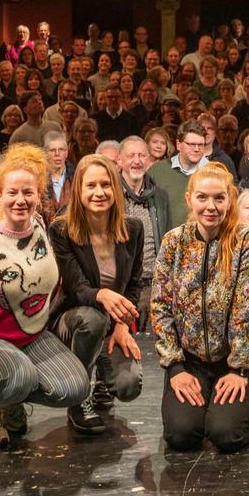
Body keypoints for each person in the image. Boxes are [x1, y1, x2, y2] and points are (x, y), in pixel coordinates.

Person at [0, 144, 95, 445]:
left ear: (39, 195)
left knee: (75, 388)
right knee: (21, 378)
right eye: (12, 192)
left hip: (32, 336)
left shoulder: (39, 226)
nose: (20, 200)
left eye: (28, 193)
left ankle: (9, 401)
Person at [152, 163, 249, 452]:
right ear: (189, 199)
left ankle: (248, 403)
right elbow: (160, 305)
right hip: (189, 360)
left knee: (226, 435)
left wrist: (238, 369)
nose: (211, 206)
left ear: (230, 199)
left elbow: (245, 307)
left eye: (219, 198)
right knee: (181, 436)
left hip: (235, 358)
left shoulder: (248, 239)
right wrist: (175, 367)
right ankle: (210, 404)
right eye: (202, 197)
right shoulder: (173, 241)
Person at [49, 154, 148, 432]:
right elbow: (76, 288)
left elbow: (134, 284)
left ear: (115, 190)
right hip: (74, 319)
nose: (99, 192)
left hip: (111, 323)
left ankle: (103, 381)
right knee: (93, 319)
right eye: (90, 185)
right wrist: (102, 295)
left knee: (129, 387)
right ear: (78, 190)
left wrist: (122, 326)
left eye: (106, 185)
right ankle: (78, 397)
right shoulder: (62, 230)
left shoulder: (133, 228)